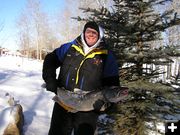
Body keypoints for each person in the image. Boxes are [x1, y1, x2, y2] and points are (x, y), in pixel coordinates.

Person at [42, 21, 120, 135]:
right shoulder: (70, 47)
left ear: (100, 36)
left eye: (94, 33)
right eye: (88, 31)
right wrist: (50, 80)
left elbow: (113, 87)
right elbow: (50, 59)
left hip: (88, 109)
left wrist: (105, 105)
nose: (90, 34)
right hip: (63, 102)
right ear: (84, 33)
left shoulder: (107, 56)